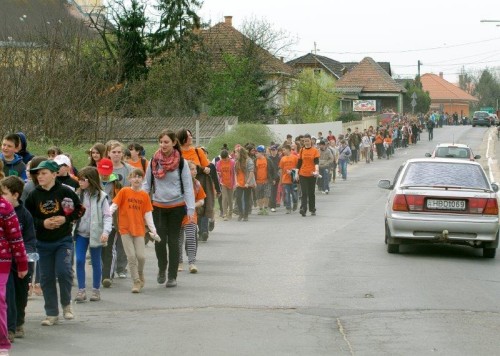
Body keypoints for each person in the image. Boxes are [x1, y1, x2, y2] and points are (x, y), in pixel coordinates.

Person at [25, 160, 84, 326]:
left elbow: (80, 209)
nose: (40, 176)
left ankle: (66, 304)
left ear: (54, 174)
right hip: (42, 243)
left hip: (63, 240)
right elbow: (27, 218)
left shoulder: (65, 191)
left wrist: (66, 218)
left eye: (44, 173)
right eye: (38, 173)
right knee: (46, 278)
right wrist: (42, 223)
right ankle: (51, 313)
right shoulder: (33, 195)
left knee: (64, 272)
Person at [143, 130, 194, 288]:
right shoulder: (154, 161)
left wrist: (191, 209)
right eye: (161, 142)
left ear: (173, 143)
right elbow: (146, 185)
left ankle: (172, 276)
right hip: (158, 206)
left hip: (177, 207)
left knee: (173, 241)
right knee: (159, 241)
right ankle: (162, 268)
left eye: (166, 142)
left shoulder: (181, 163)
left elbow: (187, 185)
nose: (163, 145)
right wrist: (143, 206)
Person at [111, 169, 160, 293]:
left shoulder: (144, 195)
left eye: (139, 177)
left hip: (139, 229)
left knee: (141, 257)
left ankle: (140, 273)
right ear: (130, 179)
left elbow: (148, 214)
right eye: (134, 177)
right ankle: (136, 281)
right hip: (125, 228)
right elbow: (114, 206)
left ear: (142, 179)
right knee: (131, 256)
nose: (137, 179)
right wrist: (105, 216)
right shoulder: (124, 191)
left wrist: (153, 231)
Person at [1, 176, 34, 342]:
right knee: (8, 295)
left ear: (15, 195)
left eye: (4, 193)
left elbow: (28, 240)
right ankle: (10, 328)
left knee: (20, 295)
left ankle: (19, 322)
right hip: (6, 261)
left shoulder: (25, 214)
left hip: (22, 261)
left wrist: (25, 259)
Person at [73, 167, 112, 303]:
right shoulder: (77, 195)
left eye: (83, 180)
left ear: (91, 180)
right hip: (81, 233)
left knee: (96, 262)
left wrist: (106, 232)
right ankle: (81, 290)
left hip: (96, 234)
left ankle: (96, 290)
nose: (80, 182)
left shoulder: (101, 197)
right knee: (79, 260)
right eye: (79, 180)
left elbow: (107, 216)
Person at [177, 129, 214, 242]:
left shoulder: (198, 151)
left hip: (198, 183)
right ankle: (187, 231)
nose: (191, 137)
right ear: (182, 138)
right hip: (182, 185)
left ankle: (203, 231)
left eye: (191, 135)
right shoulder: (177, 153)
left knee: (201, 206)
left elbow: (207, 167)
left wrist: (206, 169)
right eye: (188, 136)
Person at [104, 141, 130, 278]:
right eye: (114, 152)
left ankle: (121, 267)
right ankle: (109, 268)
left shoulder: (129, 169)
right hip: (108, 208)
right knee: (110, 239)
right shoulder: (102, 168)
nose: (116, 155)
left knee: (123, 239)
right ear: (108, 153)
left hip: (125, 208)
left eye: (119, 152)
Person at [96, 158, 122, 288]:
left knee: (110, 247)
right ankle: (102, 272)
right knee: (100, 247)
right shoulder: (94, 181)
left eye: (107, 171)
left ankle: (107, 275)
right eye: (102, 171)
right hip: (97, 219)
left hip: (112, 219)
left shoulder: (117, 183)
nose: (104, 174)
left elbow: (120, 201)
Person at [178, 161, 205, 274]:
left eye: (195, 169)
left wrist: (193, 205)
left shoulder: (197, 184)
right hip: (178, 214)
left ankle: (192, 263)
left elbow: (201, 200)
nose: (195, 171)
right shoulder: (177, 184)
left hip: (191, 215)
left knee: (191, 238)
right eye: (192, 169)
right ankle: (179, 262)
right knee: (178, 240)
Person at [297, 134, 320, 217]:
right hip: (302, 174)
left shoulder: (314, 151)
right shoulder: (302, 150)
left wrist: (316, 170)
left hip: (312, 174)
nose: (306, 142)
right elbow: (299, 162)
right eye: (305, 141)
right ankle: (303, 209)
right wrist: (296, 173)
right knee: (304, 192)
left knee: (311, 192)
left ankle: (312, 208)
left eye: (308, 141)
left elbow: (316, 162)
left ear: (311, 141)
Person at [254, 145, 278, 216]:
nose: (256, 154)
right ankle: (261, 209)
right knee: (259, 196)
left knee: (266, 195)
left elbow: (273, 170)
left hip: (267, 180)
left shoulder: (268, 160)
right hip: (258, 181)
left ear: (261, 153)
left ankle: (265, 208)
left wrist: (274, 179)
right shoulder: (255, 161)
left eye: (257, 152)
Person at [234, 147, 255, 222]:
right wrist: (236, 182)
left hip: (247, 183)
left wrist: (247, 182)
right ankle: (240, 213)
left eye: (236, 152)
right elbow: (235, 173)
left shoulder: (249, 161)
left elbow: (251, 172)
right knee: (238, 198)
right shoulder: (236, 161)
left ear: (240, 153)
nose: (235, 154)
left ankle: (246, 215)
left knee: (246, 199)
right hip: (239, 183)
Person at [215, 149, 235, 221]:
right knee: (224, 198)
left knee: (230, 199)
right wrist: (219, 174)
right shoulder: (218, 163)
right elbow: (217, 172)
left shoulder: (232, 162)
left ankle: (230, 212)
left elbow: (234, 173)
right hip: (223, 182)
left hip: (231, 182)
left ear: (228, 156)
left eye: (225, 158)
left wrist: (235, 183)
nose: (224, 159)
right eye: (223, 158)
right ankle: (224, 214)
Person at [278, 144, 298, 214]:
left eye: (284, 150)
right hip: (285, 179)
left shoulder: (295, 157)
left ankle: (295, 202)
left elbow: (298, 168)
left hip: (293, 177)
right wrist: (280, 180)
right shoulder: (282, 158)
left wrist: (292, 172)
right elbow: (281, 170)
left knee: (294, 193)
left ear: (289, 149)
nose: (283, 151)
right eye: (282, 150)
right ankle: (288, 207)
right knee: (286, 194)